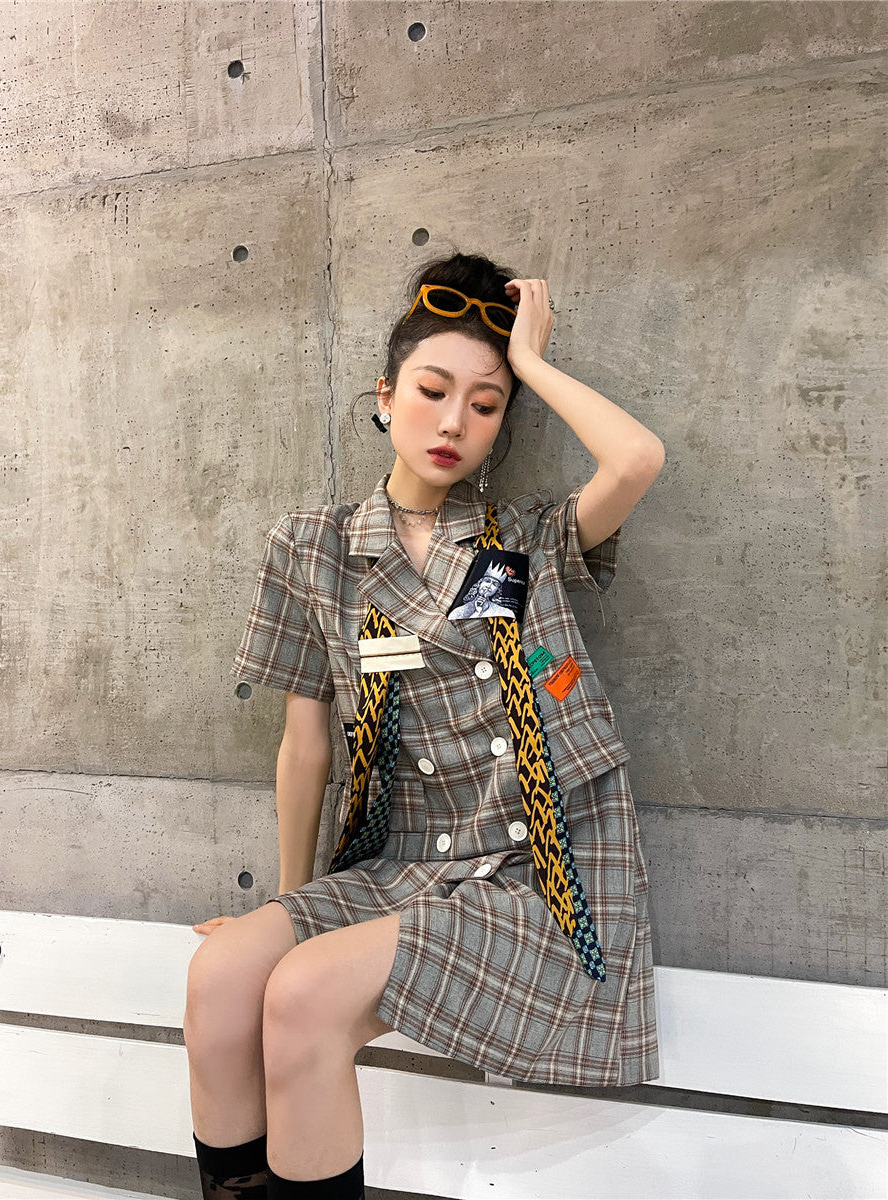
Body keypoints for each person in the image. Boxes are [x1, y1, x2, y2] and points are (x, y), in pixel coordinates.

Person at [183, 251, 665, 1200]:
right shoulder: (315, 546)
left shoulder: (524, 539)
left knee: (306, 994)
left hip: (539, 881)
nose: (453, 423)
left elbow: (636, 460)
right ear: (385, 395)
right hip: (403, 864)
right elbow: (305, 745)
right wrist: (287, 910)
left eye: (485, 406)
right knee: (225, 973)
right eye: (433, 391)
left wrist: (529, 363)